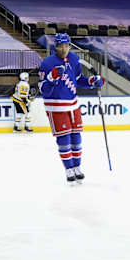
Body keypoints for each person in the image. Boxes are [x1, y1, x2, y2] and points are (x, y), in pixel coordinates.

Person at [38, 33, 104, 185]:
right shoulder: (47, 63)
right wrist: (52, 78)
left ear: (69, 46)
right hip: (56, 106)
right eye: (60, 46)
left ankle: (77, 167)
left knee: (76, 138)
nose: (64, 49)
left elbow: (78, 79)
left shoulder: (74, 59)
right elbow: (43, 89)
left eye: (66, 46)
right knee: (64, 139)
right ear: (56, 46)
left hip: (73, 104)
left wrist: (92, 81)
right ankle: (68, 169)